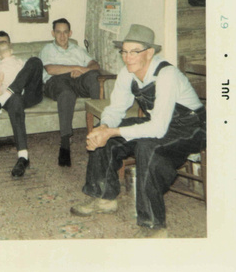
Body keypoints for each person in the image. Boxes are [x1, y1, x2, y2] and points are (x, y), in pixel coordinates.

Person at [70, 24, 206, 238]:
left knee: (146, 146)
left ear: (150, 52)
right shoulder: (127, 73)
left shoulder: (166, 75)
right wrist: (105, 127)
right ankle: (104, 197)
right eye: (124, 51)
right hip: (161, 124)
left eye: (134, 52)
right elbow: (115, 109)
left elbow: (158, 129)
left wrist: (113, 132)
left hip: (191, 128)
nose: (127, 57)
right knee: (101, 132)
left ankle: (153, 224)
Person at [39, 18, 100, 167]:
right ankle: (65, 144)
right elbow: (50, 69)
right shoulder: (48, 49)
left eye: (65, 32)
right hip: (56, 81)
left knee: (94, 77)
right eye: (58, 32)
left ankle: (100, 126)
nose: (62, 36)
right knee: (67, 94)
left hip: (76, 79)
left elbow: (95, 65)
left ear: (70, 33)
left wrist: (81, 71)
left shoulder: (78, 49)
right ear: (53, 33)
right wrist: (74, 68)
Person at [0, 31, 43, 177]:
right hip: (12, 100)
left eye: (6, 43)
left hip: (29, 95)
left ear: (11, 46)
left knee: (35, 60)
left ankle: (4, 98)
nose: (4, 47)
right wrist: (0, 77)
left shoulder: (20, 61)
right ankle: (23, 157)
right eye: (0, 44)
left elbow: (36, 75)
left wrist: (21, 73)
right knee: (15, 98)